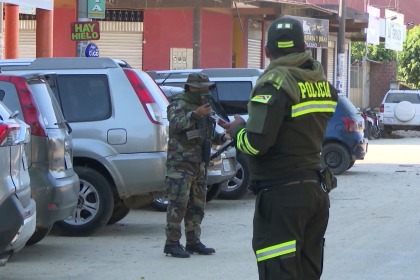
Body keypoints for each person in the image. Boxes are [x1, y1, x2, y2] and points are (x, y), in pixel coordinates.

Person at [222, 17, 338, 280]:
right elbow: (295, 126)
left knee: (279, 271)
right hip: (315, 191)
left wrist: (239, 129)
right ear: (305, 48)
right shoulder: (322, 84)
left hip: (282, 196)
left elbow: (256, 143)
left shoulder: (274, 83)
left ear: (266, 51)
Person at [163, 73, 230, 258]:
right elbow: (176, 124)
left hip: (199, 163)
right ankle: (172, 243)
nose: (206, 91)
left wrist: (222, 137)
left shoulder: (204, 107)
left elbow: (205, 131)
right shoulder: (179, 104)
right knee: (178, 204)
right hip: (181, 163)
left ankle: (193, 241)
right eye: (203, 88)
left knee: (197, 205)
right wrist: (195, 114)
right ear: (192, 88)